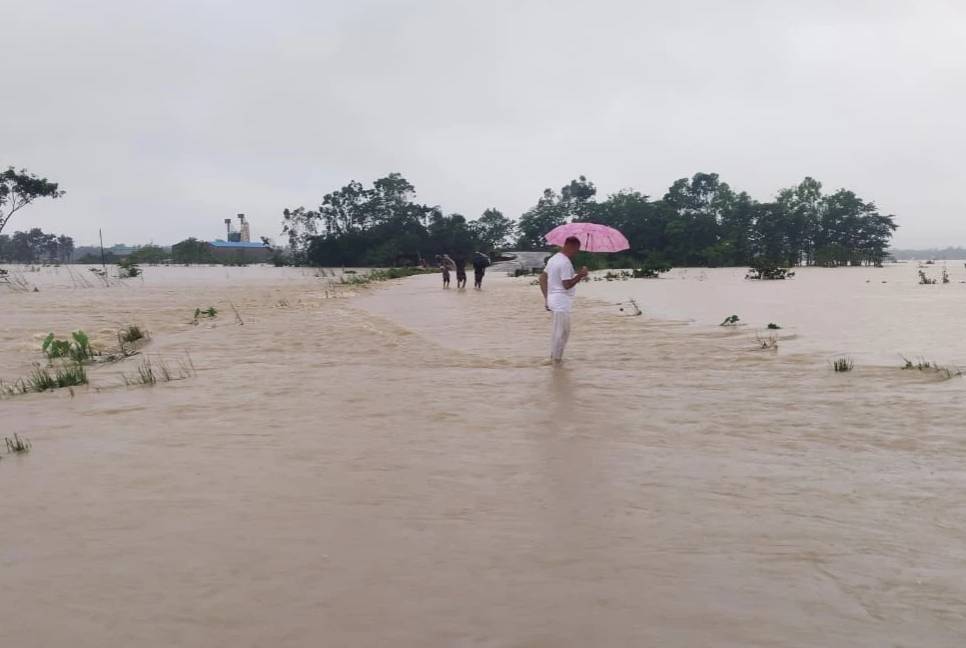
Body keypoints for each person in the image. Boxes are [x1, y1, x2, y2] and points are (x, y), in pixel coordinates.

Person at [539, 236, 588, 363]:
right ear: (570, 246)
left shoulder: (553, 259)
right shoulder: (565, 262)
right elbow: (566, 285)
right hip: (561, 301)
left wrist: (546, 298)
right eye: (576, 249)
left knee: (559, 332)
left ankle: (555, 359)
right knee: (561, 334)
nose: (576, 252)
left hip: (553, 299)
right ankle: (556, 362)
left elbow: (542, 278)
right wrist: (580, 276)